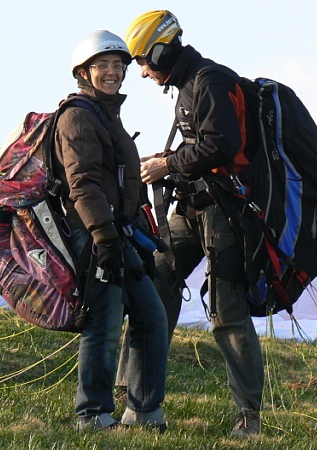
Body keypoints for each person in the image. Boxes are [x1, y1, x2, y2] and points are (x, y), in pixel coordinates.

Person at [122, 11, 264, 437]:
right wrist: (168, 162)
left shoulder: (210, 80)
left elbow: (222, 145)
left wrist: (167, 165)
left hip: (224, 212)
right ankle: (133, 397)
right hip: (191, 206)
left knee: (227, 310)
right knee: (153, 285)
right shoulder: (189, 84)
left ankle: (249, 417)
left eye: (143, 62)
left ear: (160, 51)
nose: (142, 72)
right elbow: (201, 145)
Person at [53, 30, 168, 432]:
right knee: (103, 323)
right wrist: (103, 239)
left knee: (151, 317)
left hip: (119, 234)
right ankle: (93, 414)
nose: (112, 72)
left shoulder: (107, 115)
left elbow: (120, 184)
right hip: (95, 234)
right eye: (102, 65)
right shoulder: (78, 116)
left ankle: (145, 413)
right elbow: (82, 183)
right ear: (83, 73)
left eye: (118, 65)